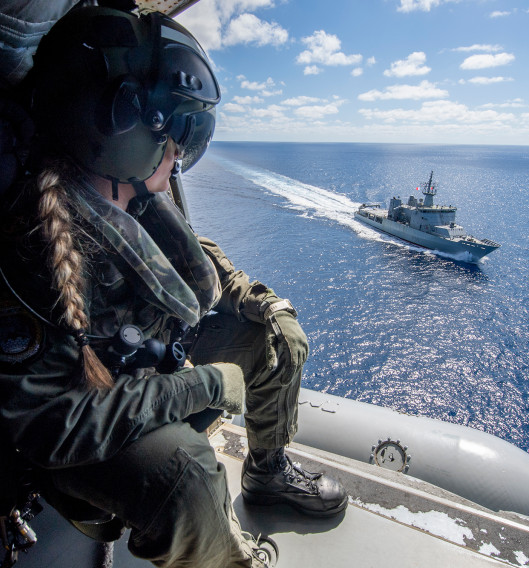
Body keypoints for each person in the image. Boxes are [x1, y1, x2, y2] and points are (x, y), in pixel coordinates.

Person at [0, 5, 347, 568]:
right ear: (121, 135)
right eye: (177, 134)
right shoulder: (26, 245)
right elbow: (52, 424)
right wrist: (205, 386)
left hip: (139, 367)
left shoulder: (120, 189)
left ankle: (265, 476)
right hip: (77, 425)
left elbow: (179, 254)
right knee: (185, 473)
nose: (181, 155)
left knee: (276, 338)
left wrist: (247, 295)